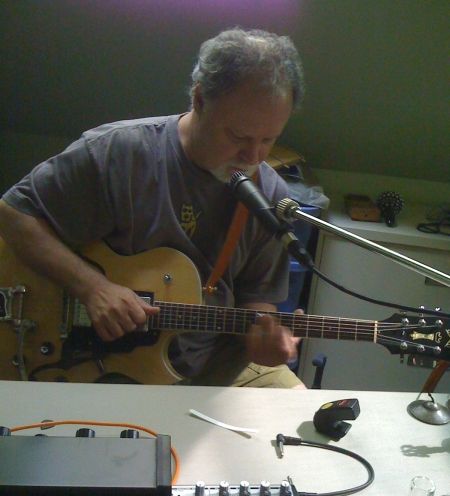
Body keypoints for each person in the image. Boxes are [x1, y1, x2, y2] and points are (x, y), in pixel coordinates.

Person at [0, 27, 307, 389]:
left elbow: (258, 298)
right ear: (200, 99)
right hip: (102, 362)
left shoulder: (270, 194)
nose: (253, 156)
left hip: (214, 364)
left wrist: (265, 337)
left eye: (268, 140)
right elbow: (13, 214)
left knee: (301, 411)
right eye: (238, 136)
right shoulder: (119, 153)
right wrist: (91, 287)